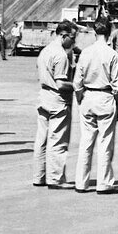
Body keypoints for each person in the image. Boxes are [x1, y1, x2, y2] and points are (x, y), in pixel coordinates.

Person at [74, 17, 118, 194]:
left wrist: (81, 98)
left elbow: (77, 82)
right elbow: (117, 87)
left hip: (88, 96)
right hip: (105, 97)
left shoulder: (85, 53)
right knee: (105, 143)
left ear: (95, 33)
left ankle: (81, 182)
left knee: (85, 142)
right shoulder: (112, 54)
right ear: (109, 33)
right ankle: (104, 184)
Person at [33, 21, 77, 188]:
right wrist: (77, 86)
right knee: (57, 140)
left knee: (41, 140)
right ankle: (55, 178)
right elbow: (60, 83)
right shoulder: (60, 55)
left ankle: (39, 176)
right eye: (72, 38)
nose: (73, 42)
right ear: (63, 35)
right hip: (57, 100)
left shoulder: (45, 51)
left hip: (43, 96)